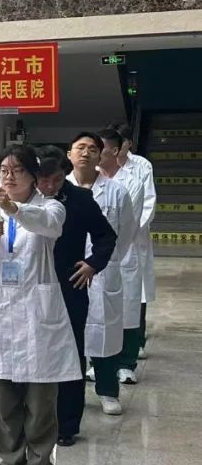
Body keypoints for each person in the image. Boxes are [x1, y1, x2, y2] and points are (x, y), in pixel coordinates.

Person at [0, 145, 77, 465]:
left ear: (33, 176)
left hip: (37, 313)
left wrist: (13, 209)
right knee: (5, 402)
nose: (9, 177)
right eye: (4, 170)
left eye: (17, 171)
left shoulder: (50, 206)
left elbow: (47, 226)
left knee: (41, 402)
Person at [34, 145, 116, 446]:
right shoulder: (26, 199)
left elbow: (106, 235)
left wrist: (93, 263)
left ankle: (67, 424)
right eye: (44, 180)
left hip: (69, 283)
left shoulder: (80, 199)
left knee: (70, 351)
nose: (50, 186)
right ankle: (35, 418)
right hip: (31, 286)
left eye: (56, 179)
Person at [63, 137, 132, 416]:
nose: (86, 153)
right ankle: (71, 395)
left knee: (105, 333)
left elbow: (124, 233)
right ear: (69, 154)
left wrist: (102, 261)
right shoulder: (58, 189)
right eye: (80, 148)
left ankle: (107, 391)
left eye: (93, 149)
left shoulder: (116, 191)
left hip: (102, 271)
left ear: (101, 155)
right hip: (69, 273)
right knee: (70, 335)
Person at [98, 128, 146, 385]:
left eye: (100, 149)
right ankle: (98, 363)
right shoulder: (88, 180)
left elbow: (129, 225)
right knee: (97, 313)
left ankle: (127, 363)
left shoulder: (132, 183)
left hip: (122, 254)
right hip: (92, 258)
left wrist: (111, 252)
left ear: (115, 151)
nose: (94, 154)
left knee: (127, 311)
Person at [117, 123, 156, 360]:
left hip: (134, 238)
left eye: (119, 143)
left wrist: (130, 230)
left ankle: (137, 339)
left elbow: (148, 202)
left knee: (136, 291)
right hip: (109, 240)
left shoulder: (142, 165)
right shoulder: (101, 167)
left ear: (128, 144)